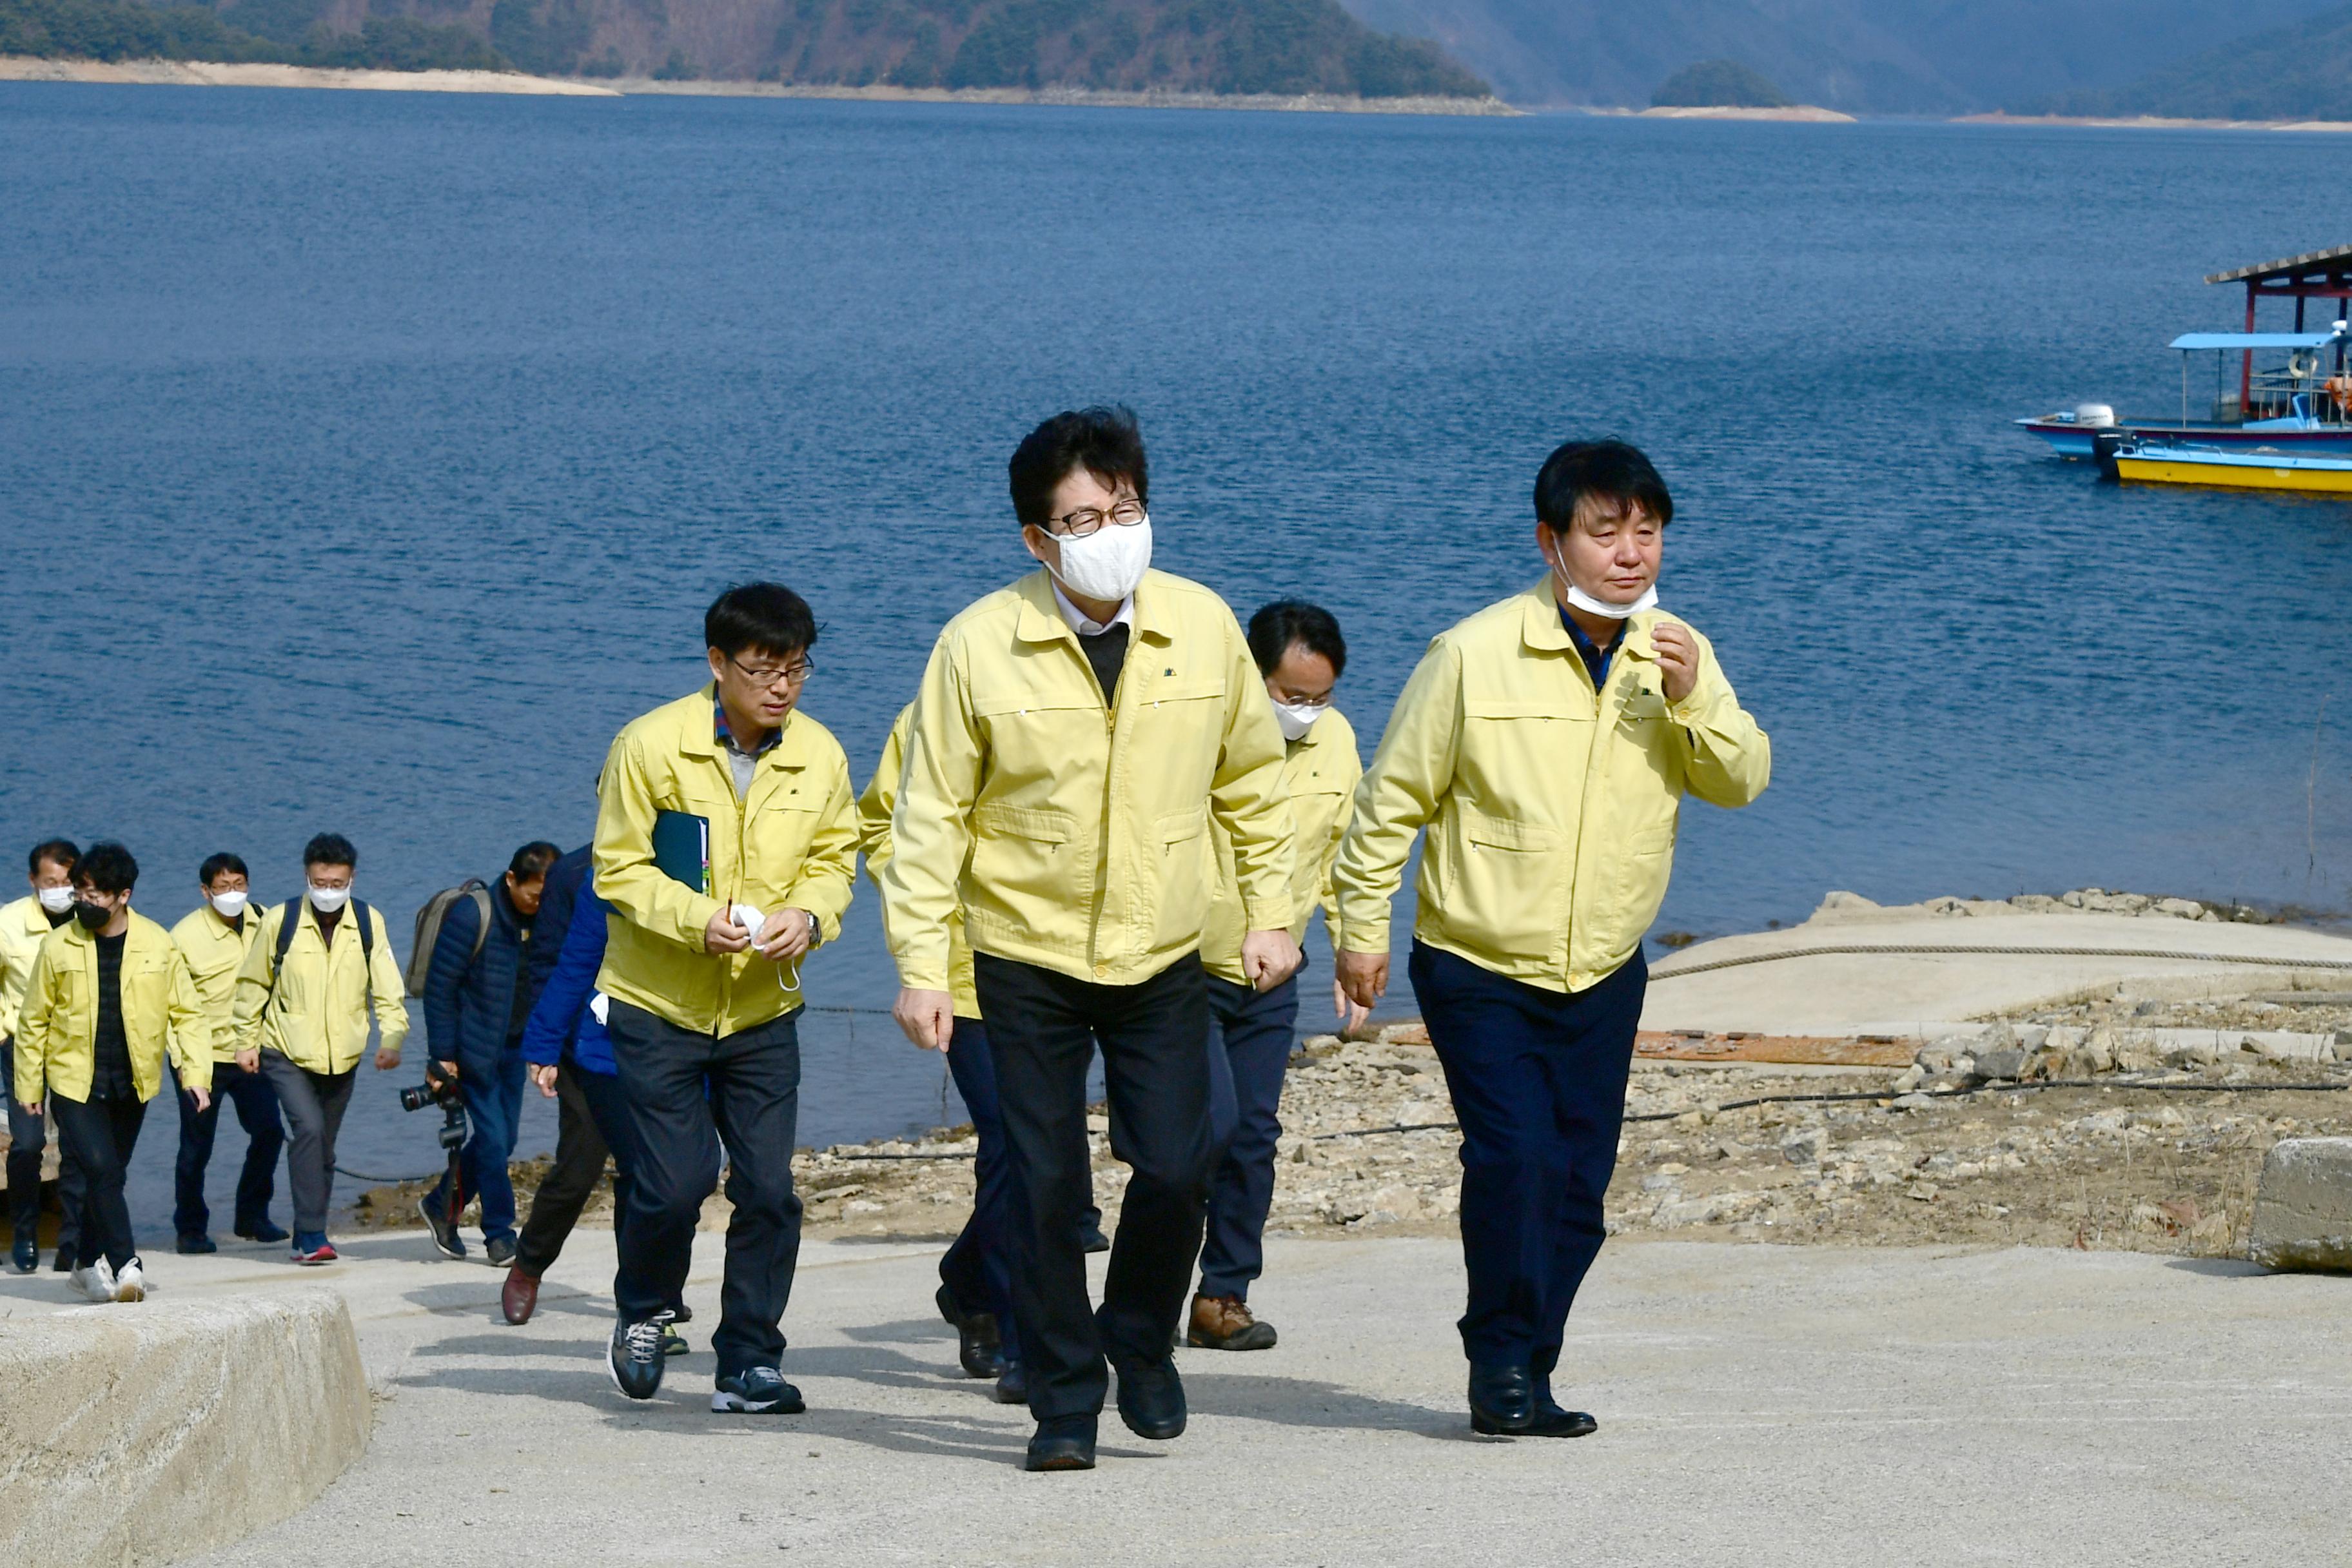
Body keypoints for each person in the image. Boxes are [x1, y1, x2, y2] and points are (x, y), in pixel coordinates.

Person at [879, 406, 1299, 1473]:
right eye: (1080, 517)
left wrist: (1271, 911)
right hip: (1022, 955)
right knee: (1044, 1183)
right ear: (1036, 539)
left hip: (1161, 949)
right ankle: (1064, 1398)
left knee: (1182, 1157)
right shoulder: (979, 643)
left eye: (1124, 508)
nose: (1109, 530)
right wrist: (922, 968)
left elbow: (1252, 781)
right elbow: (930, 814)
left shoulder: (1200, 625)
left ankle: (1138, 1335)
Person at [1333, 439, 1770, 1438]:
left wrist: (1697, 694)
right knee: (1515, 1159)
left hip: (1608, 966)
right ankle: (1500, 1367)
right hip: (1477, 961)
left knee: (1579, 1184)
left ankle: (1534, 1360)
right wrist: (1361, 933)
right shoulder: (1471, 653)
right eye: (1605, 531)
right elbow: (1388, 803)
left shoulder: (1673, 652)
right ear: (1552, 539)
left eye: (1647, 532)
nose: (1631, 554)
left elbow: (1741, 780)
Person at [594, 582, 858, 1415]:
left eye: (797, 668)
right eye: (763, 668)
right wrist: (696, 921)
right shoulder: (650, 745)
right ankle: (645, 1310)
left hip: (763, 1010)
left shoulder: (820, 753)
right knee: (674, 1187)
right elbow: (618, 868)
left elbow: (837, 858)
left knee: (771, 1190)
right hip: (656, 1003)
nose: (781, 686)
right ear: (718, 663)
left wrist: (809, 916)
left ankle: (748, 1360)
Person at [1187, 601, 1366, 1353]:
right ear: (1251, 677)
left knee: (1254, 1133)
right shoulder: (1200, 731)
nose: (1304, 713)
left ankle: (1224, 1295)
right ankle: (1149, 1290)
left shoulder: (1337, 742)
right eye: (1289, 696)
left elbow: (1335, 857)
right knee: (1199, 1133)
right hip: (1184, 965)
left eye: (1319, 697)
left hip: (1273, 971)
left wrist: (1350, 950)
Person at [861, 701, 1026, 1403]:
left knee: (1036, 1152)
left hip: (1073, 967)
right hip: (967, 975)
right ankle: (1025, 1340)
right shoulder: (927, 716)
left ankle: (968, 1281)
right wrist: (931, 923)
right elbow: (877, 825)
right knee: (1016, 1145)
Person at [12, 842, 213, 1304]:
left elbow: (187, 1014)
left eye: (94, 895)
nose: (84, 903)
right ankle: (128, 1262)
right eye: (79, 893)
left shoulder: (158, 944)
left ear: (123, 895)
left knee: (110, 1176)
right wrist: (29, 1084)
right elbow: (34, 1019)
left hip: (133, 1081)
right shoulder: (59, 944)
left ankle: (84, 1263)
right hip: (73, 1081)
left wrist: (195, 1074)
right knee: (101, 1169)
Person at [509, 863, 687, 1356]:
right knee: (578, 1168)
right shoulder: (572, 872)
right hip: (582, 1047)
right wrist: (547, 1045)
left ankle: (652, 1308)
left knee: (654, 1177)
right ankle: (530, 1262)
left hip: (662, 1044)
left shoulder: (686, 851)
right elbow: (552, 962)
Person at [232, 833, 410, 1265]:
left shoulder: (368, 922)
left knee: (323, 1148)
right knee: (308, 1131)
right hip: (285, 1050)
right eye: (320, 881)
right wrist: (244, 1041)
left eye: (336, 883)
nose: (327, 890)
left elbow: (387, 987)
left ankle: (309, 1232)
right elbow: (253, 983)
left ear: (351, 879)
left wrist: (392, 1038)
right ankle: (311, 1234)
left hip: (343, 1057)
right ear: (307, 877)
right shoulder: (282, 921)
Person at [417, 840, 560, 1268]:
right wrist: (441, 1056)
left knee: (506, 1138)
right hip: (471, 1049)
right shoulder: (472, 916)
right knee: (496, 1142)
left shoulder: (544, 918)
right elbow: (440, 989)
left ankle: (442, 1205)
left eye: (546, 897)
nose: (539, 904)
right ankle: (500, 1234)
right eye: (533, 894)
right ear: (512, 880)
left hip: (514, 1049)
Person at [168, 853, 288, 1253]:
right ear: (206, 891)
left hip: (250, 1051)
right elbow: (170, 1006)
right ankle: (190, 1228)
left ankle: (252, 1216)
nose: (232, 894)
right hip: (202, 1058)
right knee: (196, 1146)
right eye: (223, 887)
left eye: (239, 884)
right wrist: (186, 1065)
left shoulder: (265, 920)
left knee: (269, 1132)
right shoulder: (184, 936)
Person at [3, 838, 82, 1274]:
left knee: (77, 1143)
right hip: (22, 1045)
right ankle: (26, 1230)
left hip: (74, 1045)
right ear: (34, 881)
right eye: (50, 881)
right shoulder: (9, 923)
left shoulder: (88, 920)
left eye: (67, 881)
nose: (59, 889)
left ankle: (71, 1239)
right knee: (28, 1143)